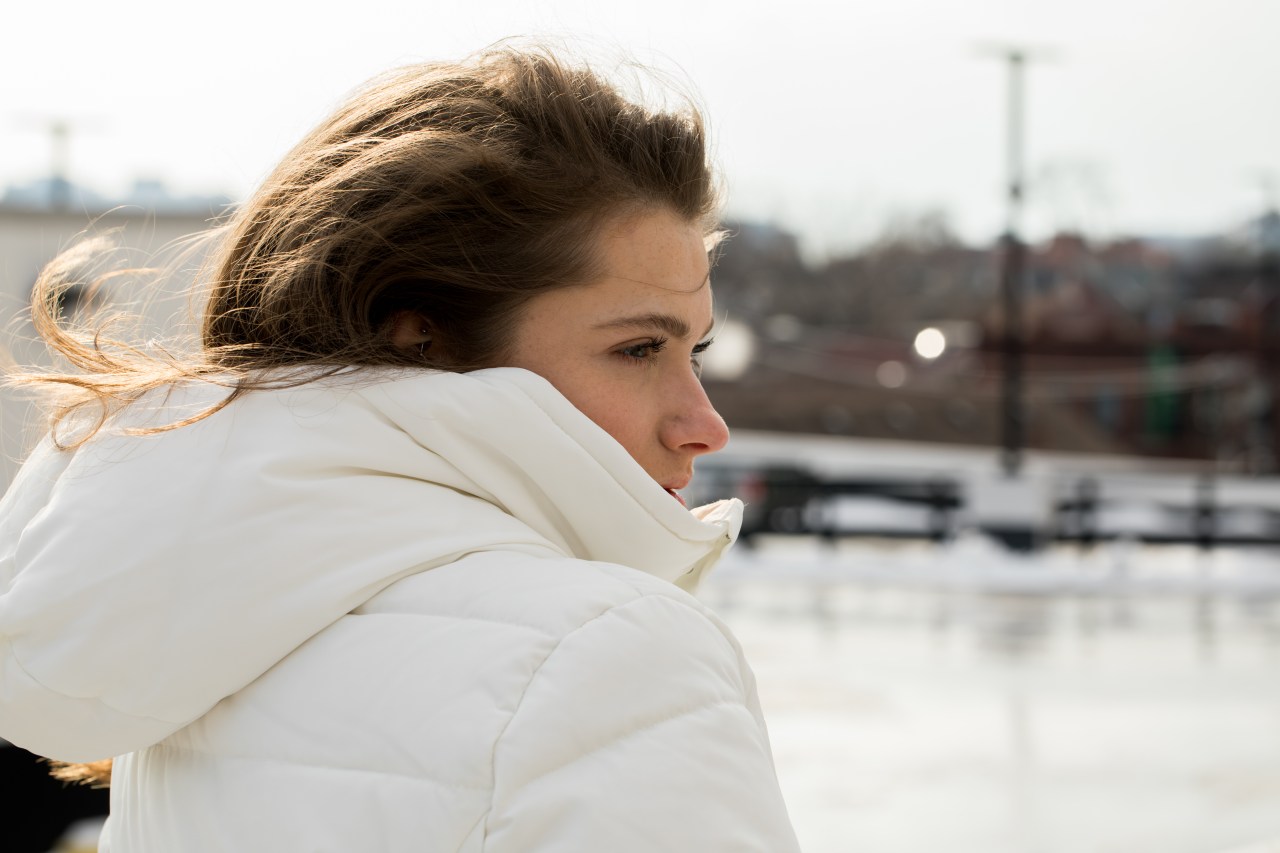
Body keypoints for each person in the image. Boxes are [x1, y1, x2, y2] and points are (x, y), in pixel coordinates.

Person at [0, 45, 800, 851]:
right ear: (423, 344)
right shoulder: (616, 655)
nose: (704, 423)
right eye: (637, 350)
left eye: (691, 353)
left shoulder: (199, 637)